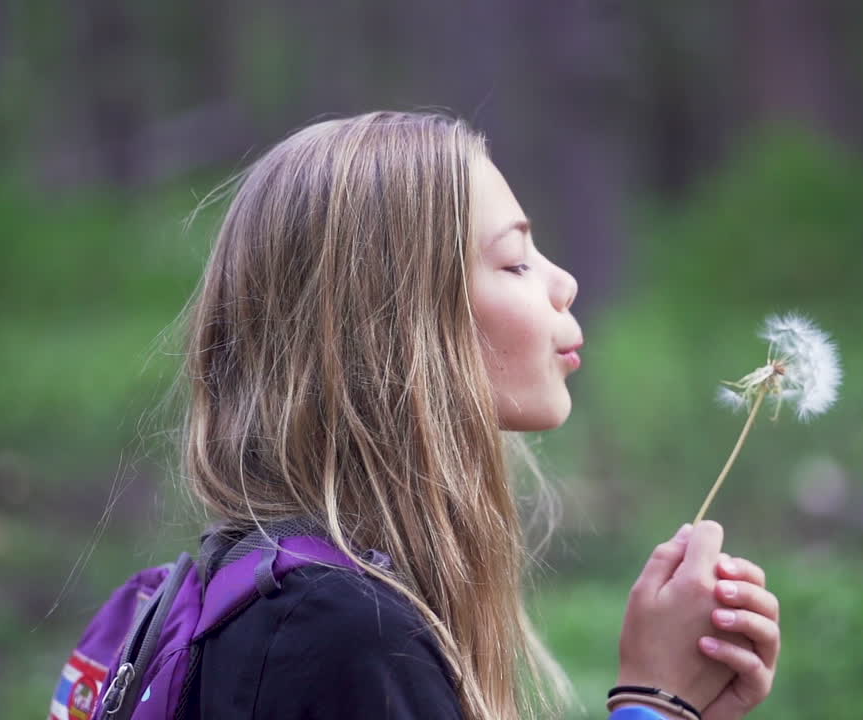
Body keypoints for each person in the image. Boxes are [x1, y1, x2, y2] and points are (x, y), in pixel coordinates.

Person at [176, 111, 781, 720]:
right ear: (396, 329)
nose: (565, 282)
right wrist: (655, 703)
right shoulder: (341, 631)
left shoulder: (270, 593)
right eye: (516, 261)